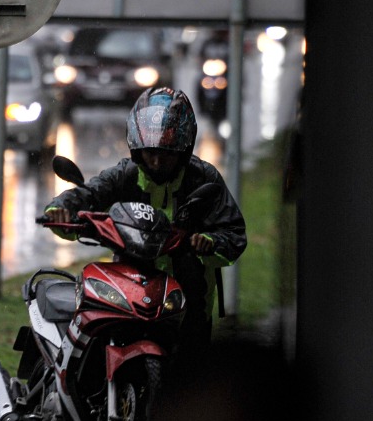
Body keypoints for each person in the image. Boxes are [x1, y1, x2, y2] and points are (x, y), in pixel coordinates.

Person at [42, 87, 247, 357]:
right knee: (98, 348)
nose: (157, 161)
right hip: (127, 296)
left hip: (188, 304)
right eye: (150, 152)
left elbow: (234, 233)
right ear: (138, 149)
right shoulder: (124, 175)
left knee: (190, 372)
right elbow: (89, 193)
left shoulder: (204, 178)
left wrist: (208, 243)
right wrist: (60, 209)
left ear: (183, 149)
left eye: (167, 153)